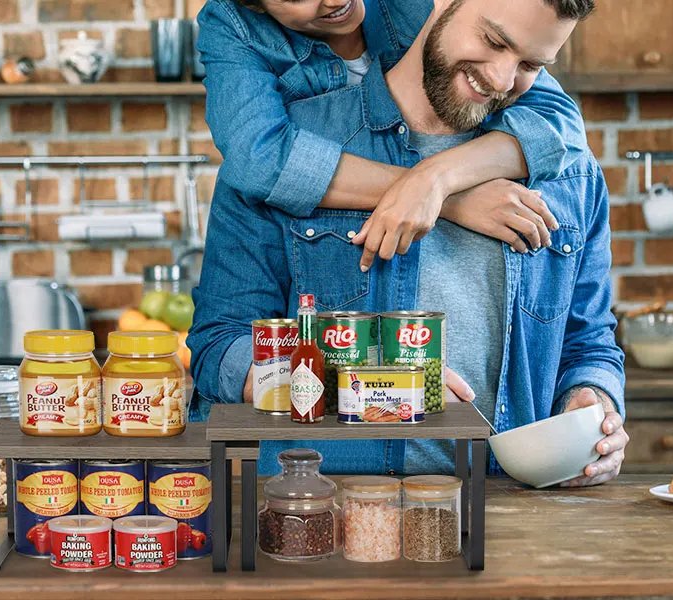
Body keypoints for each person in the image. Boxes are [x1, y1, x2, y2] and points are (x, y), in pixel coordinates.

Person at [190, 0, 629, 486]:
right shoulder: (292, 158)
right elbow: (218, 349)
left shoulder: (570, 175)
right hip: (318, 507)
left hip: (506, 511)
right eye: (493, 41)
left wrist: (594, 403)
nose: (503, 80)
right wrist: (377, 389)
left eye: (530, 64)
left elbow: (588, 343)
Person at [198, 0, 591, 266]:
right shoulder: (231, 25)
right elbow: (260, 159)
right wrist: (452, 201)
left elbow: (560, 124)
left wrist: (438, 179)